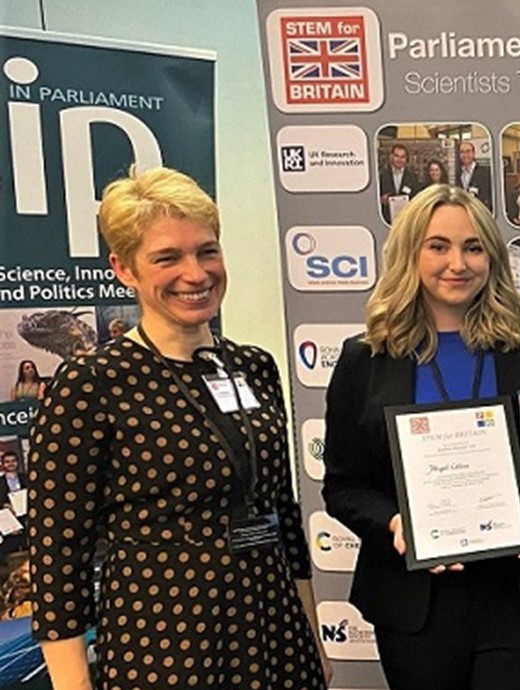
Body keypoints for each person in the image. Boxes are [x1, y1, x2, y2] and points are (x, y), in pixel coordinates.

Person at [27, 167, 330, 689]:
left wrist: (310, 635)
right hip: (164, 645)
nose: (196, 273)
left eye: (207, 251)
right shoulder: (92, 383)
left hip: (275, 635)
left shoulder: (253, 366)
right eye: (168, 258)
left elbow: (281, 514)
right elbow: (57, 557)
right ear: (124, 269)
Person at [323, 184, 520, 689]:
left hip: (518, 594)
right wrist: (396, 524)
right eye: (438, 246)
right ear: (409, 254)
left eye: (473, 246)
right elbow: (344, 487)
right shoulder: (365, 359)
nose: (457, 263)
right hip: (415, 599)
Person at [381, 143, 422, 223]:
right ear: (391, 157)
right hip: (386, 220)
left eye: (402, 157)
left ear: (406, 159)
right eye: (396, 156)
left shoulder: (413, 177)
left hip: (406, 219)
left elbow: (416, 197)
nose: (399, 159)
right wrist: (381, 199)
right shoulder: (382, 175)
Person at [456, 140, 493, 211]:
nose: (465, 155)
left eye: (468, 151)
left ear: (473, 153)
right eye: (462, 152)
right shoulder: (458, 173)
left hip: (480, 212)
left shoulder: (485, 173)